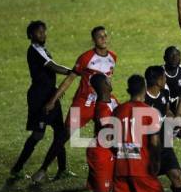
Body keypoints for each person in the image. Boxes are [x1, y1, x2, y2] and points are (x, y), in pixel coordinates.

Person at [31, 26, 117, 182]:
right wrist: (52, 101)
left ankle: (98, 176)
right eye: (100, 37)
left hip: (102, 103)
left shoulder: (113, 57)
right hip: (83, 103)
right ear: (94, 40)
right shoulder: (85, 58)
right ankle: (43, 169)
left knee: (103, 138)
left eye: (105, 35)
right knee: (65, 134)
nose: (104, 38)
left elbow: (108, 82)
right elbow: (69, 79)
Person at [10, 20, 71, 179]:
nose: (43, 34)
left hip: (50, 95)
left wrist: (56, 88)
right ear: (31, 35)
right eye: (39, 32)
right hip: (40, 99)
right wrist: (73, 71)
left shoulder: (42, 49)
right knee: (38, 134)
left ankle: (62, 170)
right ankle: (17, 169)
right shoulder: (35, 50)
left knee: (60, 132)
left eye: (44, 31)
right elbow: (52, 67)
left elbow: (46, 74)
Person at [144, 66, 181, 192]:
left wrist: (177, 123)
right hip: (149, 146)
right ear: (158, 80)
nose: (166, 80)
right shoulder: (143, 98)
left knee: (177, 177)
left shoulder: (164, 92)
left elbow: (166, 110)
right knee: (147, 182)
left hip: (165, 143)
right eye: (164, 77)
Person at [112, 74, 165, 192]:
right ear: (145, 89)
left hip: (121, 168)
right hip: (142, 169)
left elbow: (111, 140)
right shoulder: (151, 112)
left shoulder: (117, 111)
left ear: (128, 91)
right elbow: (154, 142)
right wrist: (156, 162)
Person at [86, 73, 119, 192]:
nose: (111, 81)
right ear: (105, 85)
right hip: (101, 152)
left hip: (108, 151)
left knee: (110, 188)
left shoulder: (113, 99)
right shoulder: (102, 110)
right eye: (108, 80)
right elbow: (108, 138)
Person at [163, 46, 181, 115]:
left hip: (180, 105)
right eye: (171, 56)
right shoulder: (160, 73)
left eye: (177, 56)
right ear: (164, 58)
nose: (174, 58)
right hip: (164, 105)